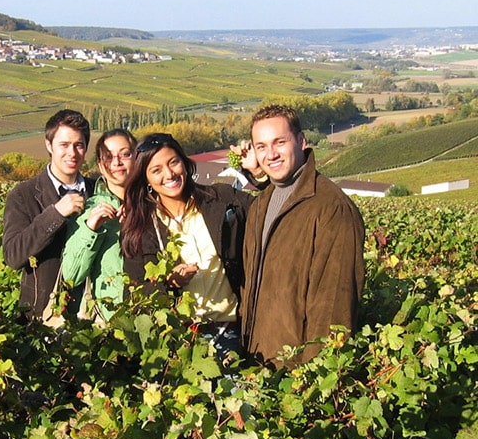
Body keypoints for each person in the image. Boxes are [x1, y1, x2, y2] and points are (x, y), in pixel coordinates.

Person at [239, 104, 365, 368]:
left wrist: (313, 384)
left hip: (296, 373)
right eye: (261, 146)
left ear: (301, 140)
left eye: (279, 142)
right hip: (259, 364)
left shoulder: (331, 208)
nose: (270, 154)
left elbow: (334, 309)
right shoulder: (261, 204)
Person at [121, 132, 261, 360]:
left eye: (173, 162)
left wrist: (257, 172)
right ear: (146, 179)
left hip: (233, 331)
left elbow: (268, 210)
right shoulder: (140, 229)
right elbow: (134, 295)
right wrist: (170, 284)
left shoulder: (221, 200)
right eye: (156, 170)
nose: (169, 174)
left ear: (185, 163)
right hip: (180, 339)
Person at [3, 109, 96, 321]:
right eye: (64, 145)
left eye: (78, 145)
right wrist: (55, 214)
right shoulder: (23, 195)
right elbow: (13, 256)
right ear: (49, 145)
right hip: (40, 319)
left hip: (90, 318)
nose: (72, 153)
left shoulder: (98, 192)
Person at [62, 128, 137, 320]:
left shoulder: (157, 204)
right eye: (108, 157)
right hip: (108, 321)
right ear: (99, 165)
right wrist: (91, 229)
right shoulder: (89, 211)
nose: (116, 163)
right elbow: (71, 277)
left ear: (137, 157)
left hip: (155, 318)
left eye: (125, 154)